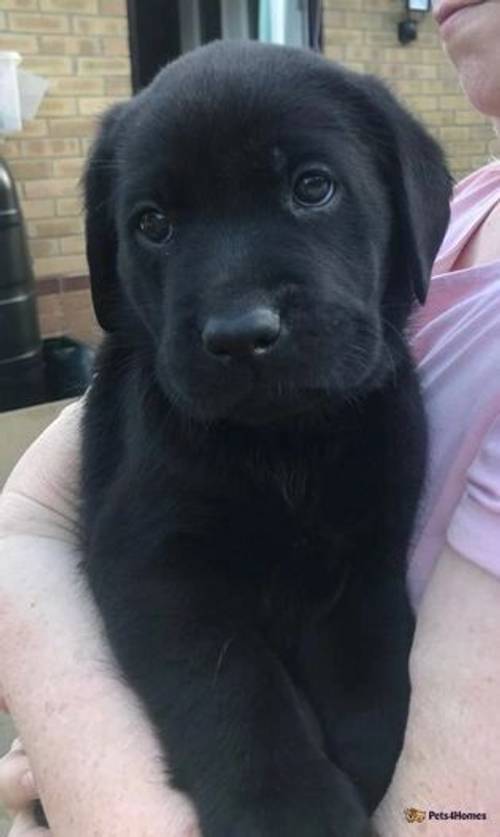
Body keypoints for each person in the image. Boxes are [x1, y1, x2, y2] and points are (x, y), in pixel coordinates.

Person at [1, 1, 499, 833]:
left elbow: (369, 602)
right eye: (155, 224)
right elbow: (68, 543)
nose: (235, 314)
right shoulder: (154, 395)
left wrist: (84, 763)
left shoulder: (385, 398)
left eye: (311, 186)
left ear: (406, 196)